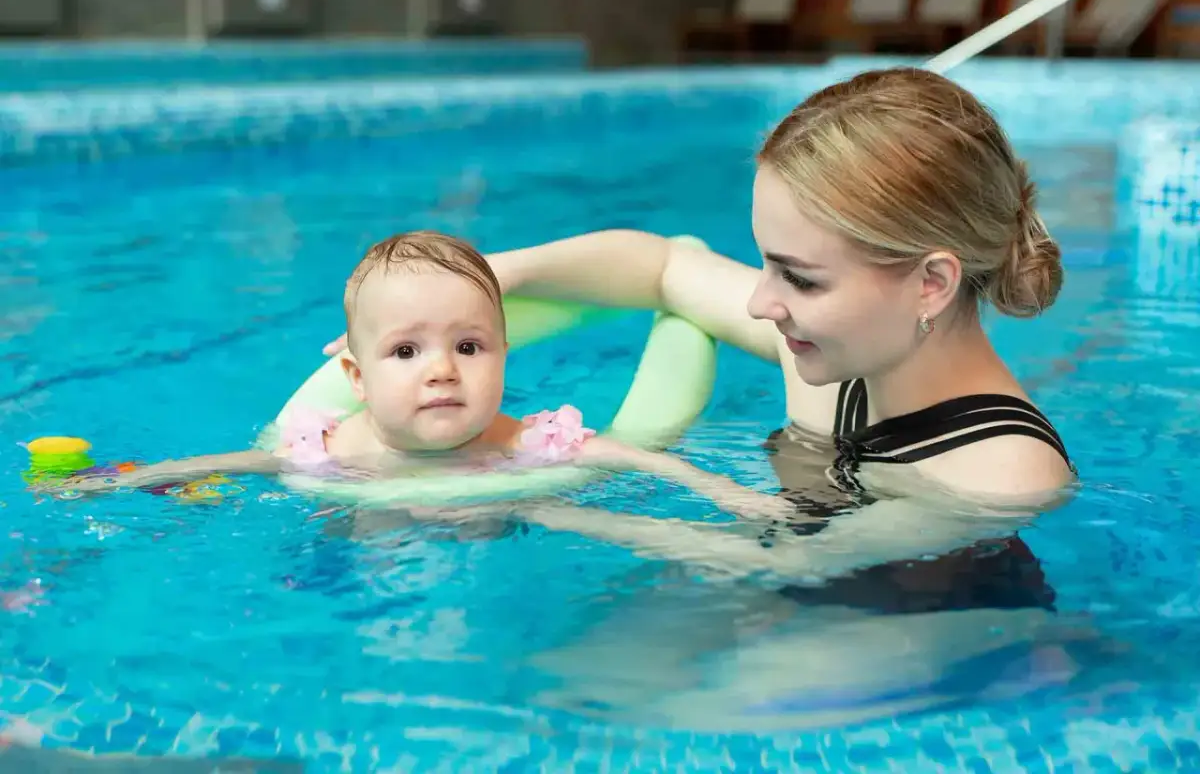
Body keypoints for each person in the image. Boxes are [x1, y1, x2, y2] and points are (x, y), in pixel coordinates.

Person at [353, 69, 1097, 724]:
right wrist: (490, 275)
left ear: (929, 284)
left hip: (923, 615)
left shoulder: (1003, 470)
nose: (760, 303)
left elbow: (791, 567)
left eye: (798, 277)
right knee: (572, 694)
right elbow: (666, 267)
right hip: (771, 558)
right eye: (766, 266)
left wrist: (530, 501)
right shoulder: (843, 340)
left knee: (689, 718)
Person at [54, 231, 769, 522]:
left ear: (503, 355)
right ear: (356, 378)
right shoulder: (329, 449)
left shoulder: (524, 442)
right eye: (405, 353)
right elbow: (240, 464)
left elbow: (628, 455)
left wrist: (722, 490)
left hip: (503, 531)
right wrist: (125, 480)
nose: (441, 371)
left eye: (468, 346)